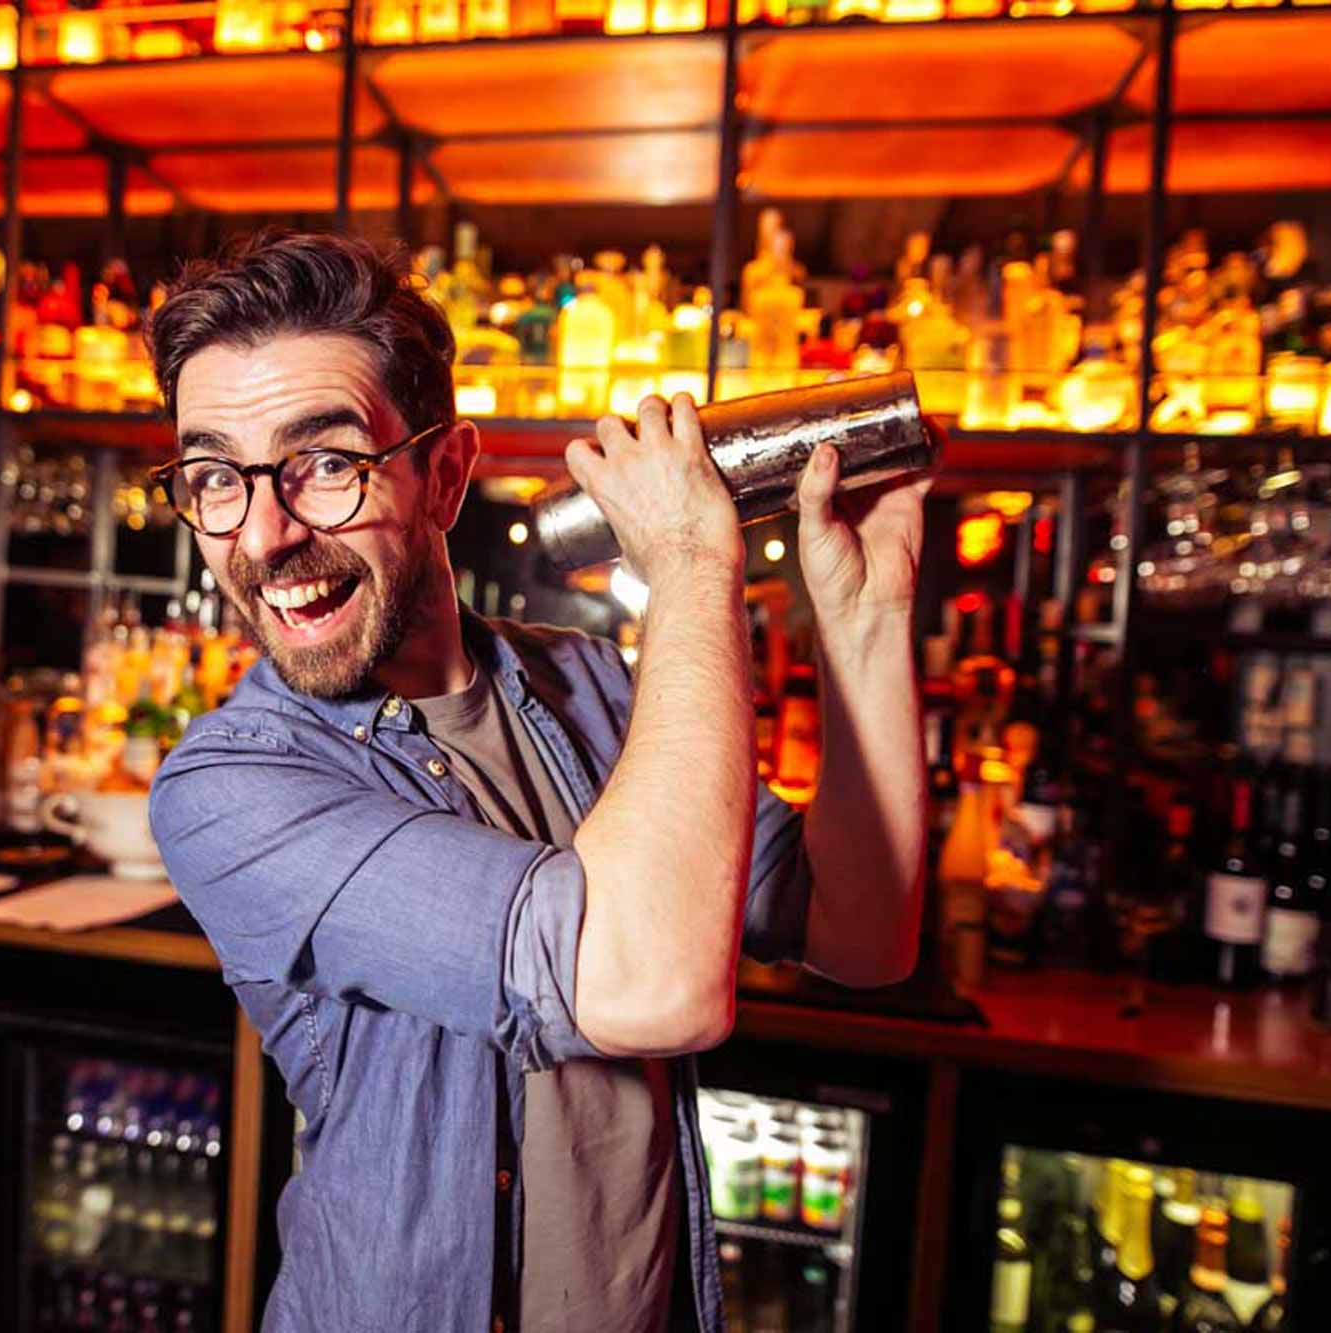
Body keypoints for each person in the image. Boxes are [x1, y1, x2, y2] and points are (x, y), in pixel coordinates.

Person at [146, 231, 930, 1333]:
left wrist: (866, 615)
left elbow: (860, 931)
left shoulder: (592, 686)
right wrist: (693, 563)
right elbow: (649, 987)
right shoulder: (234, 789)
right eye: (215, 476)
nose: (264, 534)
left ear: (446, 475)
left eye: (326, 463)